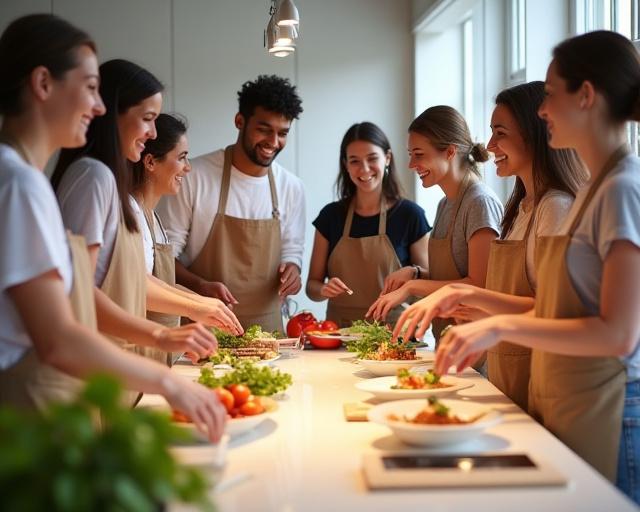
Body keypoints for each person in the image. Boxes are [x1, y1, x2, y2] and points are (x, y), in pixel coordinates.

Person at [418, 31, 640, 501]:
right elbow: (562, 311)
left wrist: (495, 326)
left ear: (586, 96)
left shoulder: (621, 188)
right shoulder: (596, 191)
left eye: (551, 94)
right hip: (572, 397)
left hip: (611, 406)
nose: (542, 109)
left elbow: (618, 334)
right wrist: (471, 299)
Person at [0, 13, 225, 441]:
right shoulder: (23, 183)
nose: (99, 106)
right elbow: (60, 337)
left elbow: (79, 299)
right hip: (36, 408)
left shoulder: (23, 179)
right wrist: (166, 379)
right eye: (89, 89)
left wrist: (164, 337)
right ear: (43, 83)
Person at [390, 82, 586, 410]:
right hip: (505, 371)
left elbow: (553, 311)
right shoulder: (520, 207)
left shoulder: (554, 207)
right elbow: (502, 292)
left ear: (536, 133)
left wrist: (460, 296)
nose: (490, 144)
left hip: (540, 379)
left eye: (500, 133)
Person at [51, 59, 241, 376]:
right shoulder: (93, 176)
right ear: (111, 114)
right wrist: (174, 326)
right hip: (100, 362)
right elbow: (80, 293)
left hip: (112, 356)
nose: (151, 132)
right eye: (147, 119)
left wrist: (197, 305)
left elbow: (126, 279)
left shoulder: (102, 179)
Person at [158, 75, 305, 333]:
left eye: (282, 133)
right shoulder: (195, 176)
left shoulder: (291, 187)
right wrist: (200, 285)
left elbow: (292, 251)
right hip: (203, 328)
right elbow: (164, 258)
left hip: (267, 332)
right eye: (264, 129)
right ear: (240, 121)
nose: (273, 142)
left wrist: (292, 270)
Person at [367, 105, 503, 345]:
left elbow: (479, 285)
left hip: (476, 345)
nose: (411, 164)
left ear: (450, 152)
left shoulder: (479, 203)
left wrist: (412, 287)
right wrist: (414, 273)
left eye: (418, 154)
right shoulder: (445, 204)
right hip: (449, 340)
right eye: (410, 154)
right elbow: (452, 276)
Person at [306, 122, 430, 326]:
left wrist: (412, 277)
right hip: (339, 335)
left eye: (372, 159)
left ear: (387, 158)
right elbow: (312, 286)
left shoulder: (410, 215)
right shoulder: (330, 216)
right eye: (354, 161)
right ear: (345, 165)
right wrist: (323, 290)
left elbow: (428, 280)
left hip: (393, 335)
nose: (364, 169)